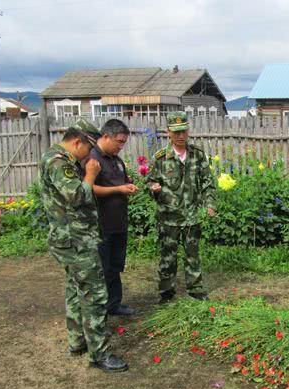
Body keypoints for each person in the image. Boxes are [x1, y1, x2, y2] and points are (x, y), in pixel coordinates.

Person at [39, 119, 128, 372]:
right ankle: (99, 354)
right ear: (77, 142)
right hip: (76, 241)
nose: (90, 154)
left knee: (75, 290)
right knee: (95, 295)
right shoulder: (59, 162)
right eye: (88, 148)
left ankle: (77, 341)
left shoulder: (57, 159)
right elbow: (77, 196)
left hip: (72, 238)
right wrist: (90, 175)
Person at [147, 112, 217, 303]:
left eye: (183, 131)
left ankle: (195, 290)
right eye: (176, 132)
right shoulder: (161, 158)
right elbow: (150, 182)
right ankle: (166, 293)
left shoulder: (198, 156)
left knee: (192, 255)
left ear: (188, 131)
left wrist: (210, 204)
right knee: (167, 257)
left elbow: (208, 183)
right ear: (168, 132)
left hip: (191, 216)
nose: (180, 136)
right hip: (168, 217)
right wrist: (153, 188)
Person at [90, 119, 138, 316]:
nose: (121, 146)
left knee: (114, 267)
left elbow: (122, 181)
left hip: (118, 222)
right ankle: (99, 312)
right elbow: (89, 189)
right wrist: (119, 189)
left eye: (124, 142)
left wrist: (128, 185)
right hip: (100, 225)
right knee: (101, 269)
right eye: (119, 141)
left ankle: (114, 305)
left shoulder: (116, 160)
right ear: (106, 136)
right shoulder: (92, 159)